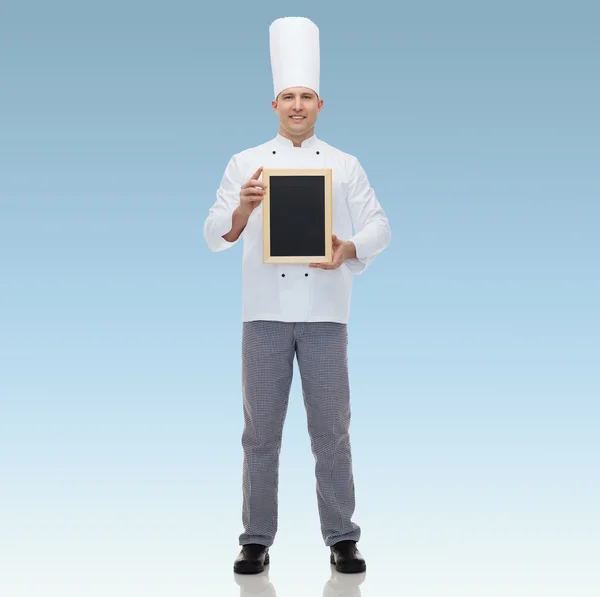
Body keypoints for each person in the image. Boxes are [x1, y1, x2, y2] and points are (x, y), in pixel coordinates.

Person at [203, 17, 391, 575]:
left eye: (306, 96)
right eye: (288, 95)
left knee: (331, 429)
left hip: (327, 315)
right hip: (261, 313)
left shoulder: (344, 164)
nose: (297, 105)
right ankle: (256, 537)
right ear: (274, 103)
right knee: (260, 431)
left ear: (320, 103)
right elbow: (213, 231)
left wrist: (347, 247)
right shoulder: (245, 163)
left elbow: (380, 227)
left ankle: (341, 536)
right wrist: (241, 209)